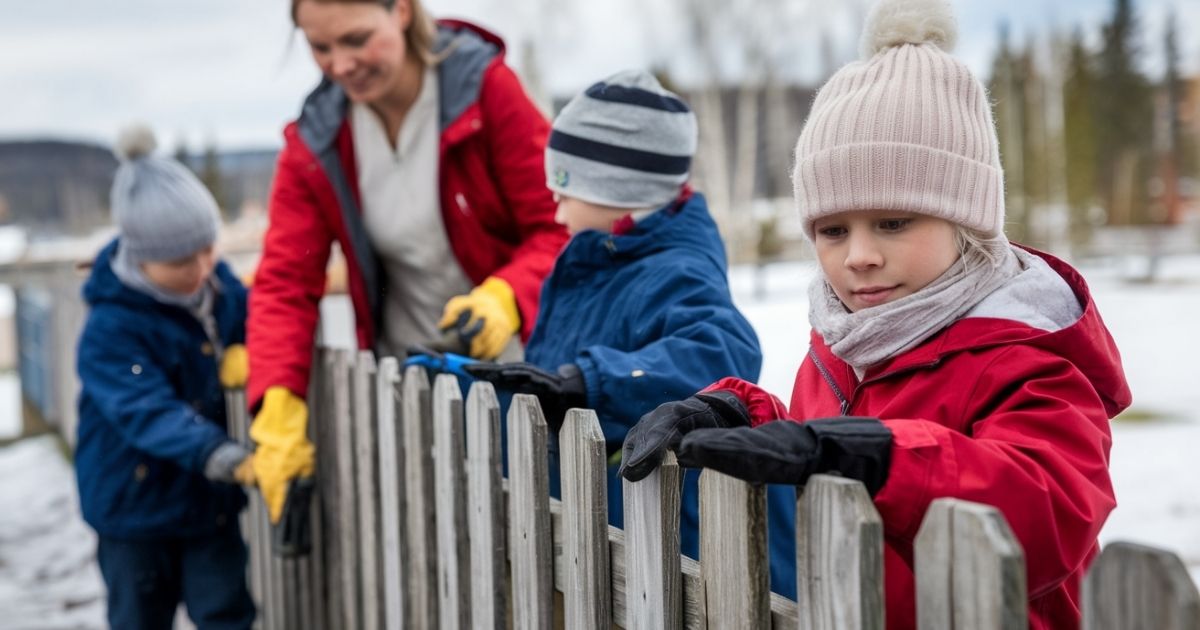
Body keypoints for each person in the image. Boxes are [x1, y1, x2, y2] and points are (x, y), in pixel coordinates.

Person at [619, 1, 1132, 627]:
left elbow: (1047, 511)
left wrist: (879, 458)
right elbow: (825, 445)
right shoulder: (844, 345)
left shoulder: (1028, 356)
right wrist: (740, 412)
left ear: (966, 219)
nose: (860, 256)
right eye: (833, 231)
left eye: (894, 222)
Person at [463, 70, 799, 597]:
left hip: (662, 549)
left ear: (618, 194)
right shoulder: (595, 261)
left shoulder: (673, 269)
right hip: (586, 528)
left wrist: (592, 383)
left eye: (565, 192)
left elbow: (723, 347)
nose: (556, 210)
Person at [246, 0, 568, 523]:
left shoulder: (485, 90)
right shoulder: (318, 139)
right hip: (409, 387)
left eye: (355, 40)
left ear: (400, 10)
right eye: (319, 46)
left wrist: (507, 295)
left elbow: (559, 226)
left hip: (525, 376)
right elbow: (285, 281)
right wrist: (278, 405)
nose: (340, 65)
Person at [75, 126, 256, 630]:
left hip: (205, 504)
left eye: (207, 250)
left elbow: (259, 319)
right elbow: (143, 406)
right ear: (140, 256)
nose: (200, 269)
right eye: (180, 260)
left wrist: (250, 351)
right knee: (140, 618)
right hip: (135, 510)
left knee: (226, 612)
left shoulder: (218, 289)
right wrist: (213, 451)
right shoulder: (112, 327)